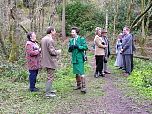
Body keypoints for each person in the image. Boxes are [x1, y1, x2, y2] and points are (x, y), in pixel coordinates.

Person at [41, 27, 61, 97]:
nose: (55, 32)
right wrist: (58, 52)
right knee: (50, 77)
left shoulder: (43, 39)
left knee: (49, 76)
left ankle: (49, 89)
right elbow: (52, 52)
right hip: (50, 61)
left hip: (45, 60)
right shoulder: (50, 40)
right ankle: (48, 93)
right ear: (51, 31)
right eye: (54, 31)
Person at [68, 27, 88, 94]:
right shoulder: (71, 40)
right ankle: (78, 85)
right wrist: (70, 48)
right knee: (76, 72)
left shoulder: (81, 39)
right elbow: (69, 50)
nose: (72, 33)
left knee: (81, 72)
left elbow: (85, 47)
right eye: (71, 32)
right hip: (74, 58)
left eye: (73, 32)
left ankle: (84, 87)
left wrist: (78, 47)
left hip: (80, 58)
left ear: (76, 32)